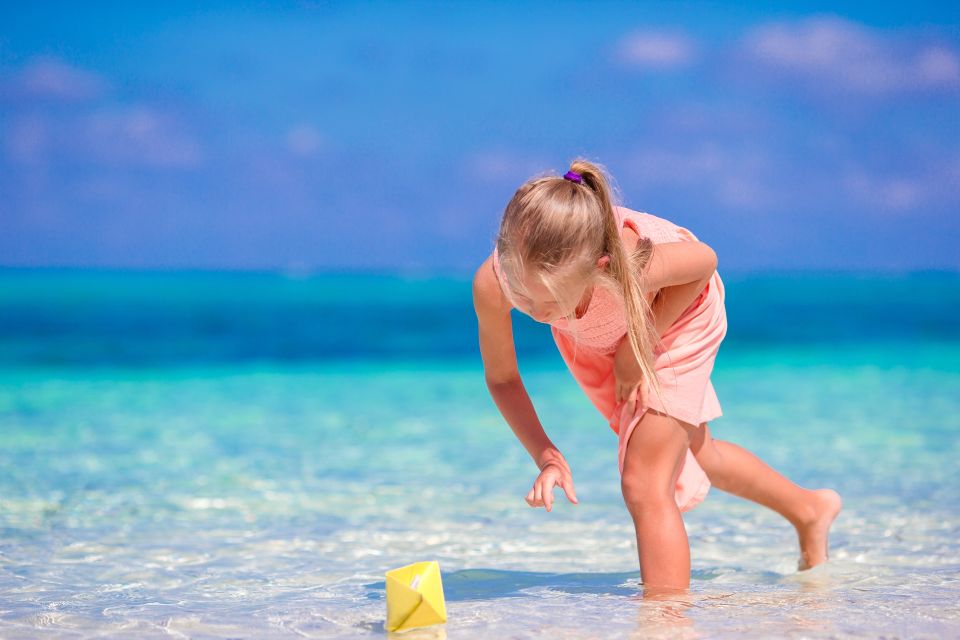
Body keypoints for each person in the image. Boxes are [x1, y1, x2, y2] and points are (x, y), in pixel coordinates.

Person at [472, 157, 842, 593]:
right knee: (699, 455)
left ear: (599, 267)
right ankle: (808, 509)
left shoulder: (634, 261)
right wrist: (546, 455)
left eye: (549, 306)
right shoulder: (496, 281)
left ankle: (666, 621)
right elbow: (503, 379)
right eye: (523, 300)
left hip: (677, 316)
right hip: (607, 335)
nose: (534, 314)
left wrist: (638, 344)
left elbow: (704, 263)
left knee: (644, 479)